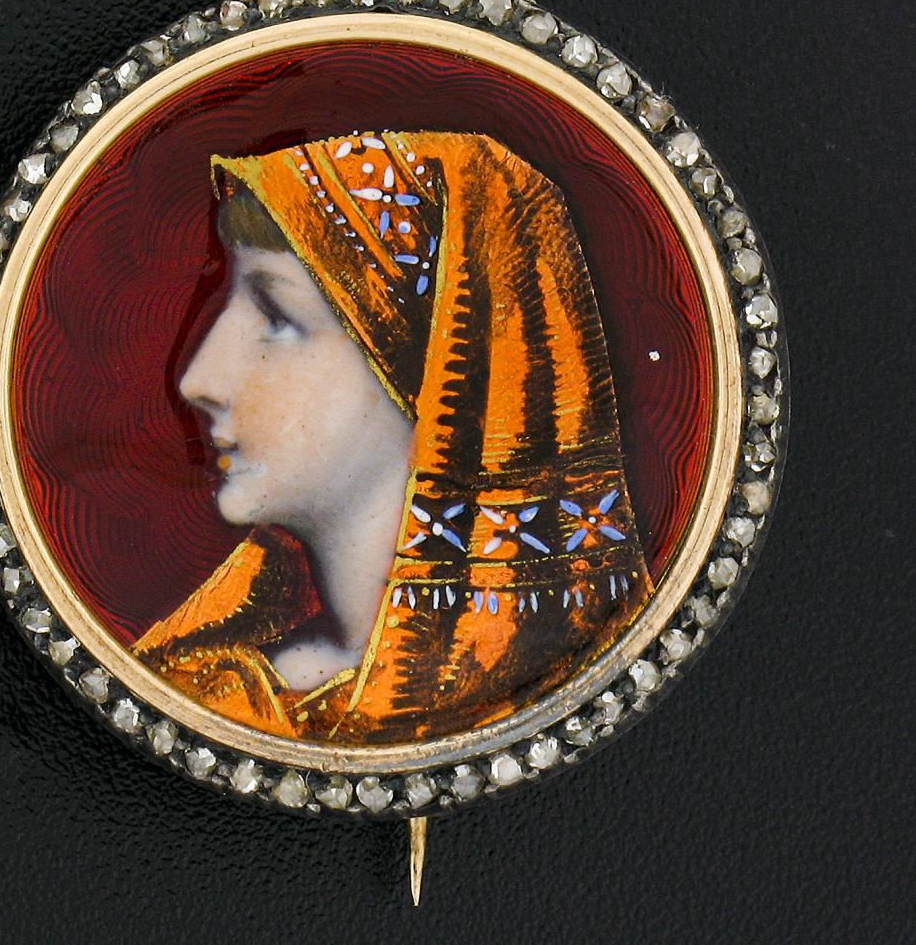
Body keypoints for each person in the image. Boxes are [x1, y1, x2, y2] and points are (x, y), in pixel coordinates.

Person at [133, 130, 653, 745]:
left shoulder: (546, 697)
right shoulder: (204, 681)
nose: (198, 380)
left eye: (277, 317)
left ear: (435, 370)